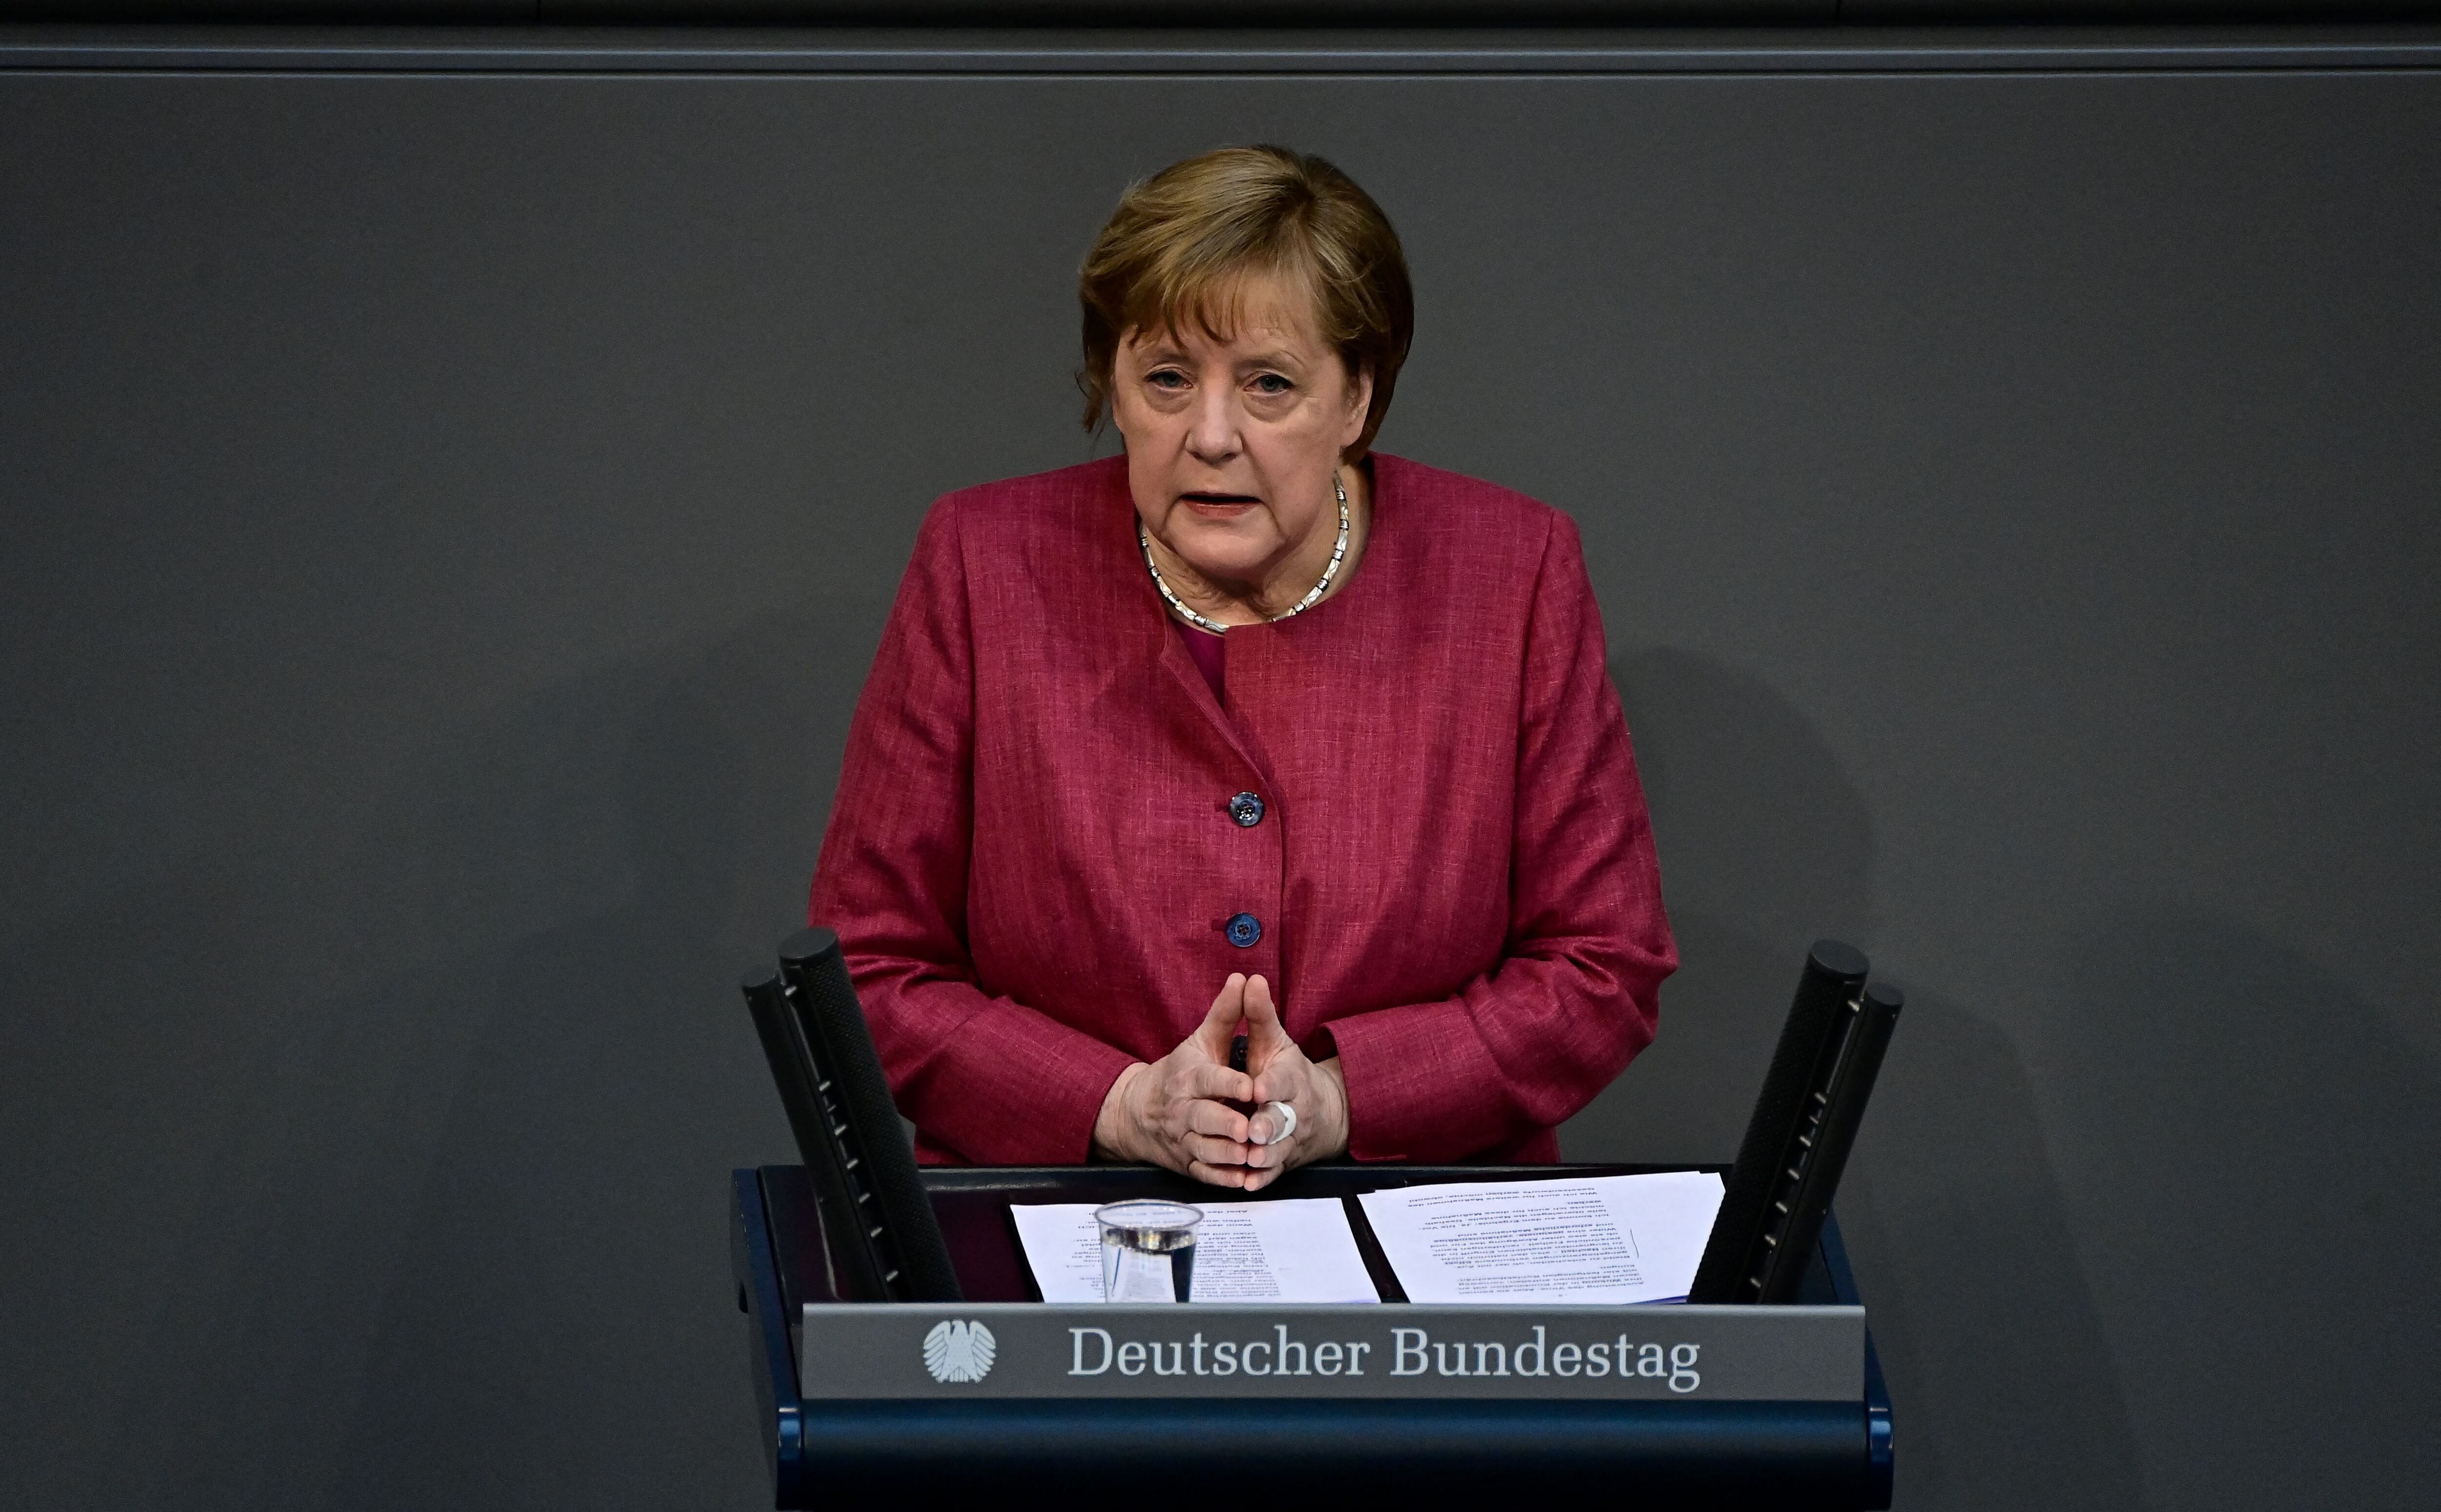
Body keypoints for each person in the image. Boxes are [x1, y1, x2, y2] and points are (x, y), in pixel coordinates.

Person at [810, 144, 1673, 1191]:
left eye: (1269, 384)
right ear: (1112, 387)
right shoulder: (983, 564)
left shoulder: (1511, 573)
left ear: (1356, 398)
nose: (1209, 435)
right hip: (1064, 1215)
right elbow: (867, 969)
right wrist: (1121, 1105)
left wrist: (1346, 1100)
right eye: (1166, 378)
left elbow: (1602, 966)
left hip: (1409, 1220)